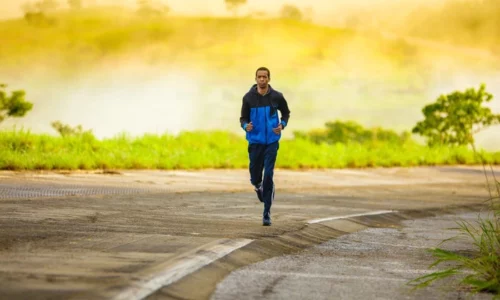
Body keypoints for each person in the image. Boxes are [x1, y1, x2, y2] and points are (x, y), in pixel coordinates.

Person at [239, 67, 291, 226]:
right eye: (259, 77)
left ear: (269, 79)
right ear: (255, 79)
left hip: (271, 142)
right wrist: (245, 126)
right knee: (255, 176)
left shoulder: (277, 96)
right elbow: (242, 118)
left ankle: (266, 213)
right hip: (255, 142)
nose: (262, 79)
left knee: (269, 174)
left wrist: (282, 125)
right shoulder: (248, 98)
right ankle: (257, 186)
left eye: (265, 77)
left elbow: (286, 113)